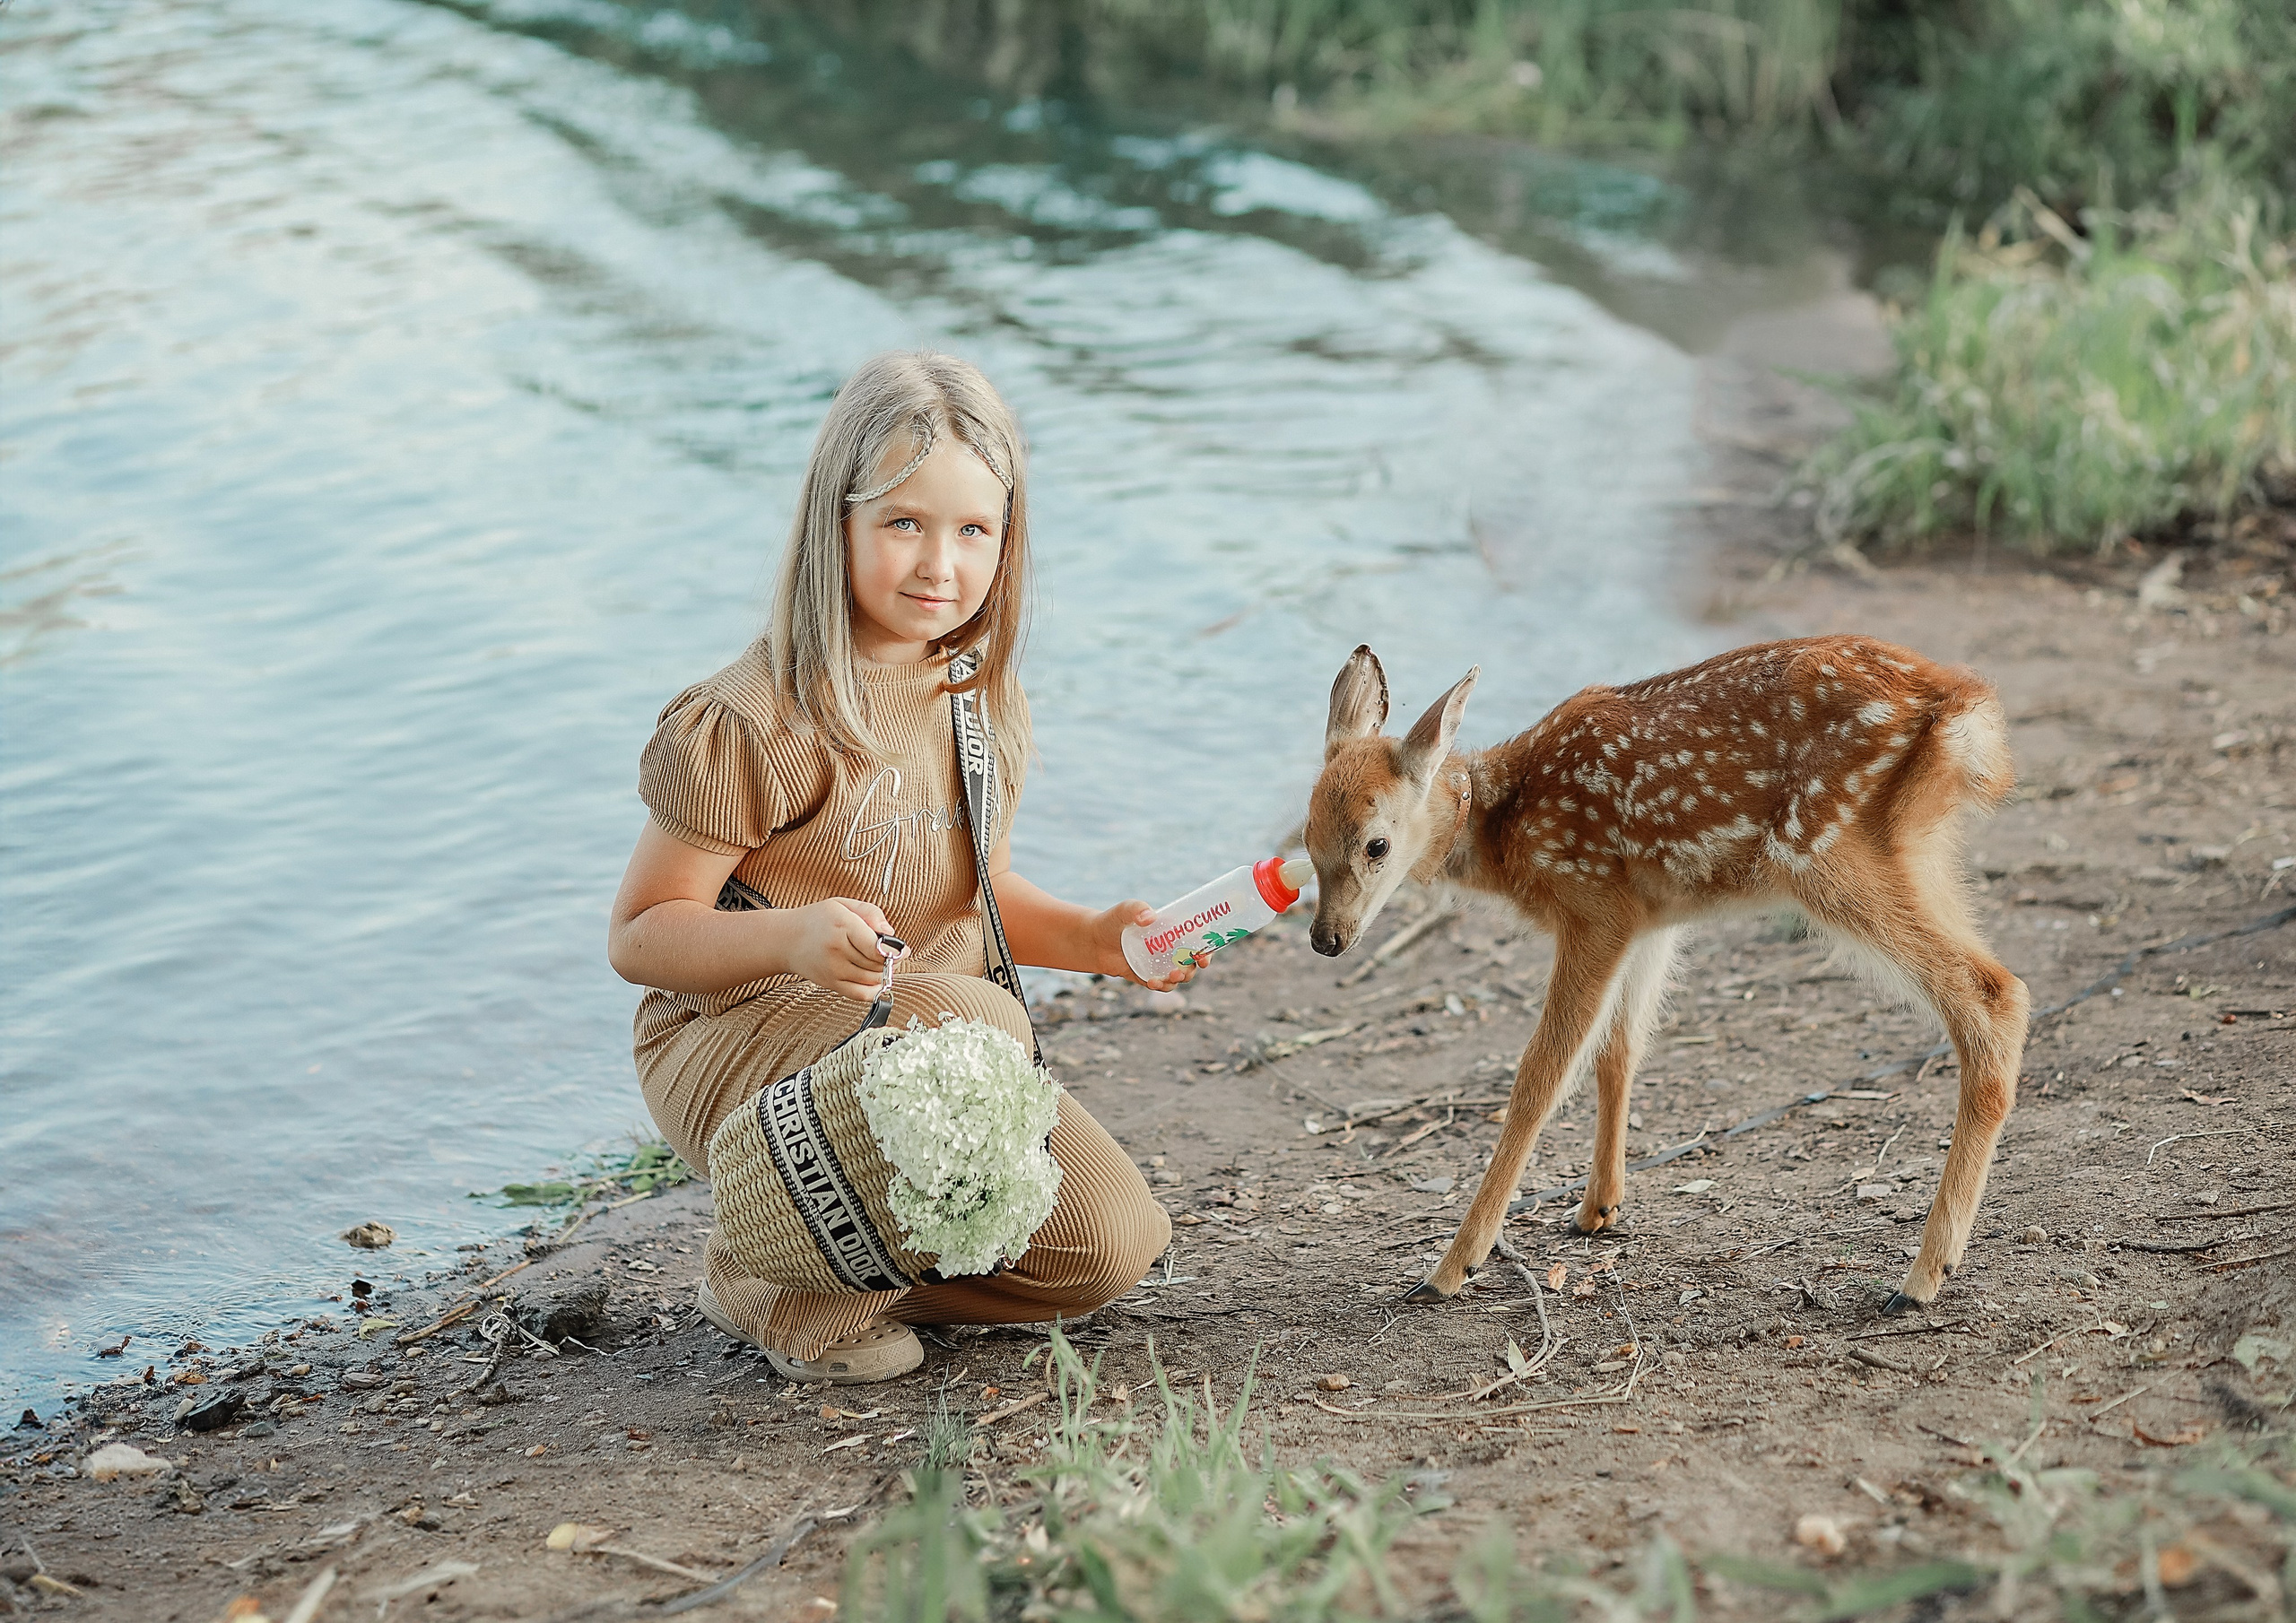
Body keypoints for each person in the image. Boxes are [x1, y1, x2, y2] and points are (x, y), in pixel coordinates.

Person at [607, 351, 1180, 1385]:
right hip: (735, 1035)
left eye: (974, 531)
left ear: (1008, 544)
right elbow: (642, 934)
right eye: (903, 523)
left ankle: (802, 1243)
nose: (939, 565)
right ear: (837, 526)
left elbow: (981, 895)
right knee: (976, 1023)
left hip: (930, 1032)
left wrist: (1099, 941)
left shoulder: (976, 699)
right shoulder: (752, 719)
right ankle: (777, 1288)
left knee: (1109, 1242)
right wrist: (790, 933)